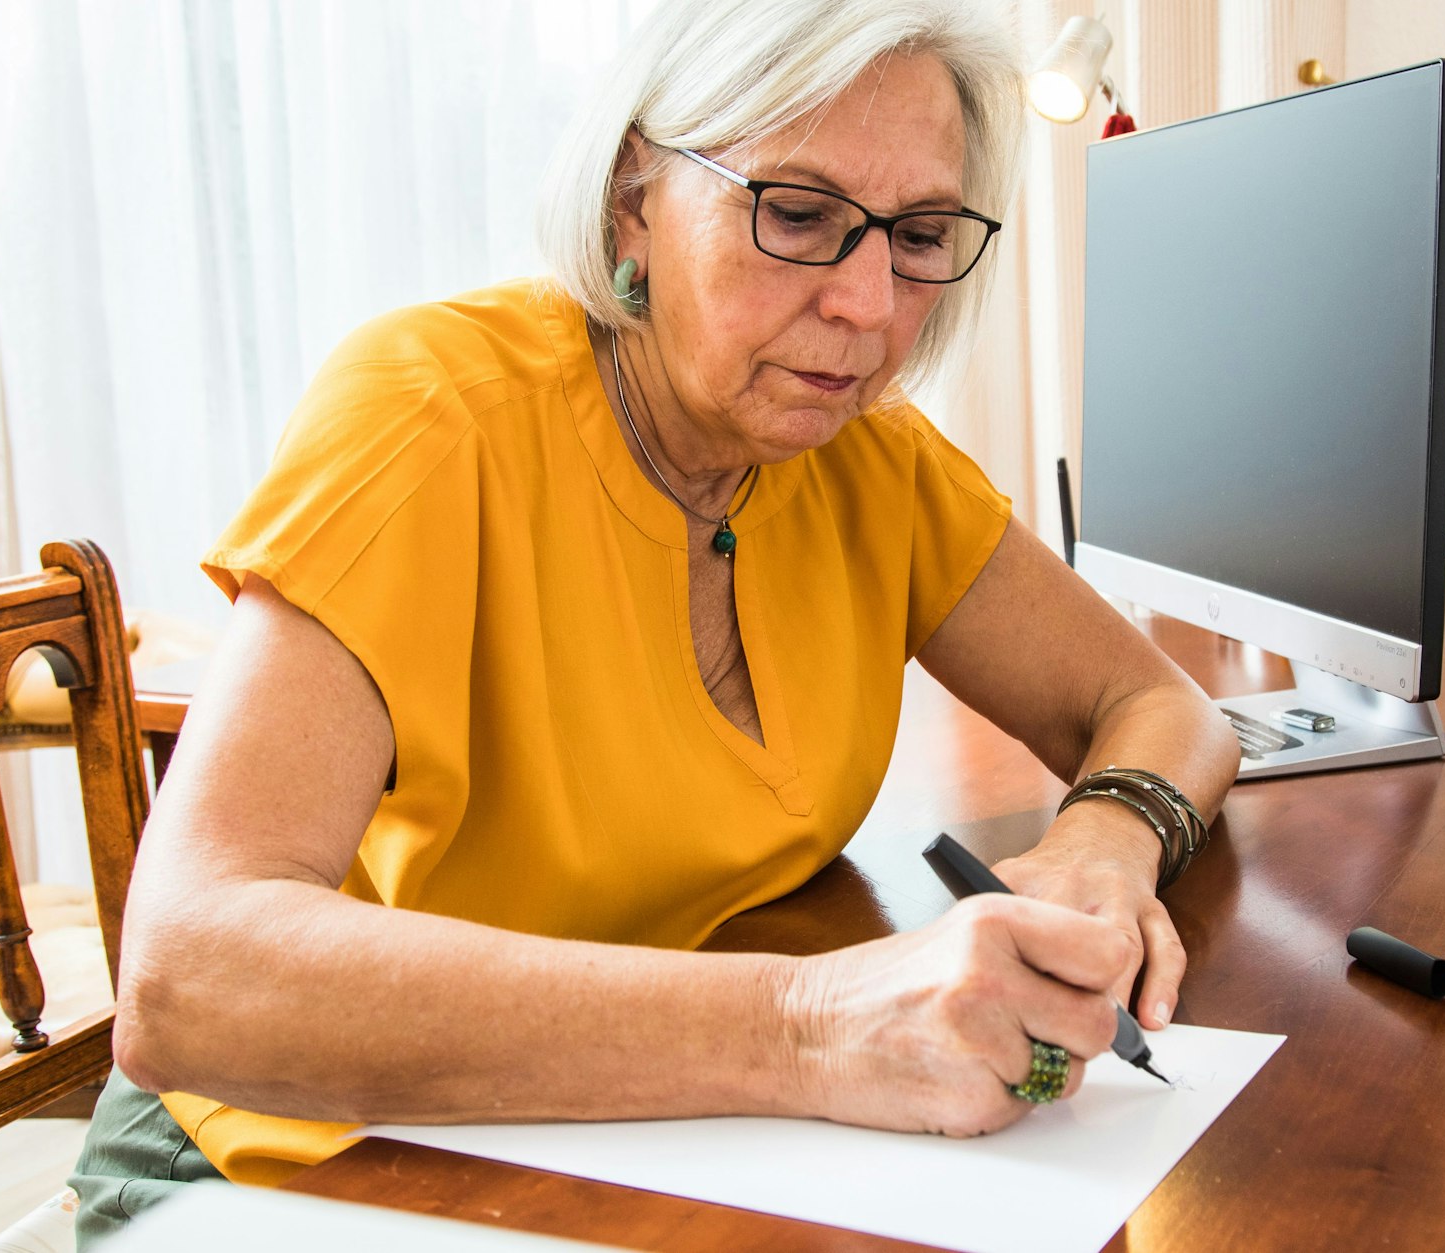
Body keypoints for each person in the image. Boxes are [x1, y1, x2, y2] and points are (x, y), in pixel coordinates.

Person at [70, 0, 1240, 1239]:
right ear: (633, 196)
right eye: (797, 214)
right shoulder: (429, 415)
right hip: (295, 1155)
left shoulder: (868, 458)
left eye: (916, 236)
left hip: (631, 1138)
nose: (865, 303)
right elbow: (190, 979)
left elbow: (1160, 705)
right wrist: (807, 1025)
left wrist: (1099, 847)